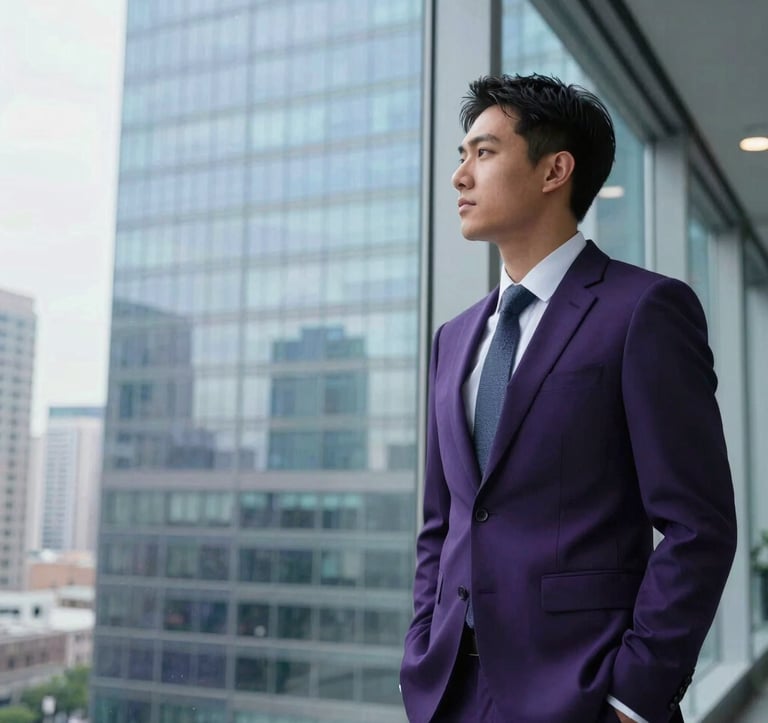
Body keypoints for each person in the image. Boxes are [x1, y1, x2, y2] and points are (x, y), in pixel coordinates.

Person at [399, 74, 737, 723]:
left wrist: (632, 697)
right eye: (460, 155)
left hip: (583, 692)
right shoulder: (455, 338)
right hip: (449, 693)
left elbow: (699, 524)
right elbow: (442, 525)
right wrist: (420, 652)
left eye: (484, 152)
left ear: (555, 169)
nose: (459, 176)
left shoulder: (643, 310)